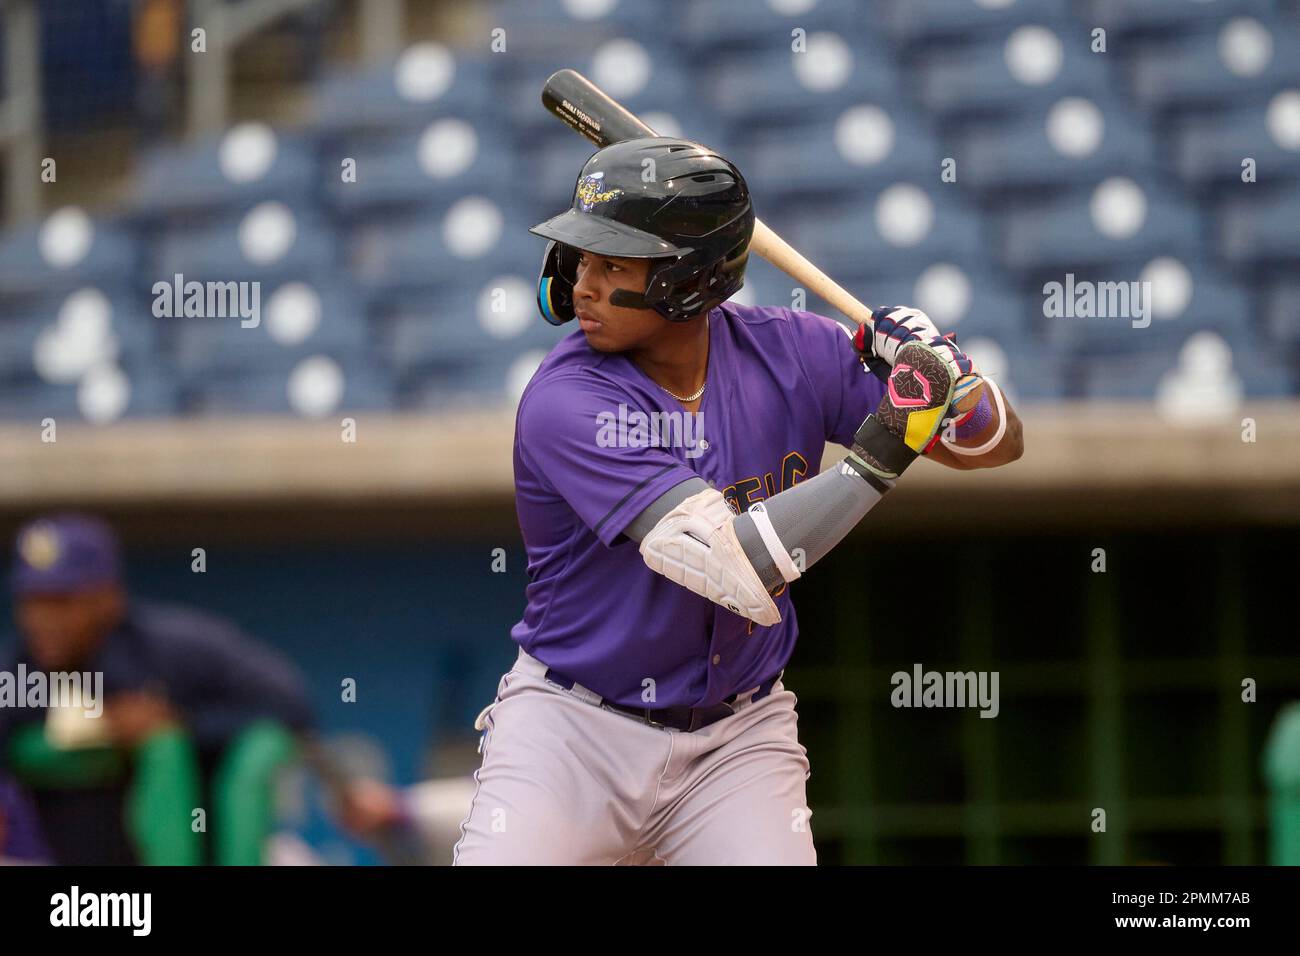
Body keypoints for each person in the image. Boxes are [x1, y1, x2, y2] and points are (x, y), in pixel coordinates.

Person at [453, 136, 1023, 865]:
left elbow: (997, 446)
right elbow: (729, 567)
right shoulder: (567, 398)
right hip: (573, 731)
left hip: (737, 740)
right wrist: (885, 446)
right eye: (583, 260)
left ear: (687, 281)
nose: (584, 285)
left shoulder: (795, 352)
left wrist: (947, 368)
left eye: (612, 263)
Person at [0, 513, 314, 865]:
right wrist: (101, 727)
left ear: (109, 598)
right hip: (70, 876)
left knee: (170, 746)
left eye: (62, 601)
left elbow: (290, 703)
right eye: (31, 602)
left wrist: (177, 720)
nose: (44, 619)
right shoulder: (15, 670)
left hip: (200, 840)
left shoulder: (172, 647)